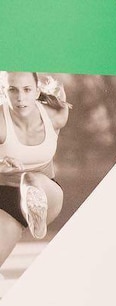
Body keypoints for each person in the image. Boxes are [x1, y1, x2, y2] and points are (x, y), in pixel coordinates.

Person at [0, 72, 69, 268]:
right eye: (12, 90)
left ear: (37, 91)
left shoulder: (56, 116)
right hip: (5, 202)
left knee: (31, 178)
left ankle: (34, 206)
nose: (20, 97)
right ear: (4, 91)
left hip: (46, 193)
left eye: (27, 89)